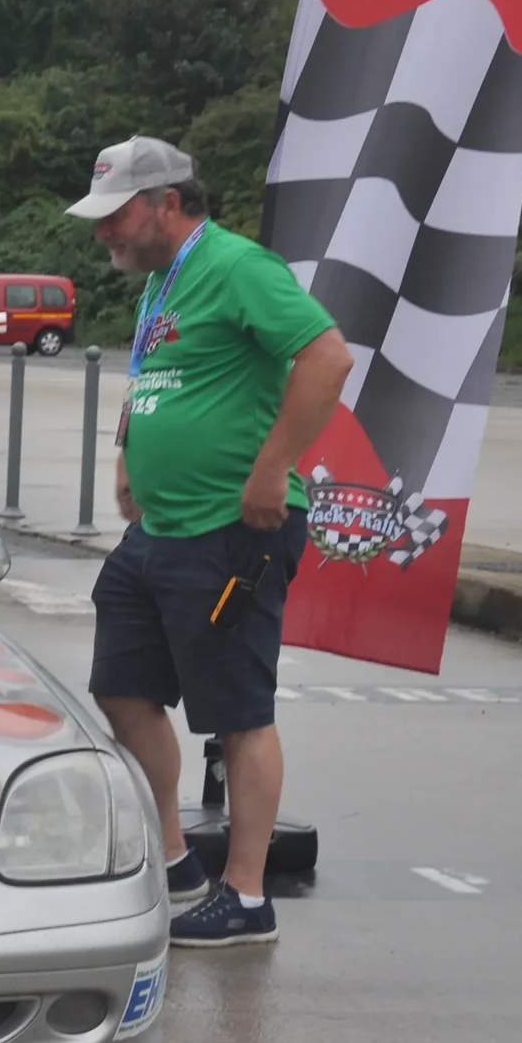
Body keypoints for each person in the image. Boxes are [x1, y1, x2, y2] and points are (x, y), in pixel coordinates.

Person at [67, 137, 353, 948]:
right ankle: (173, 860)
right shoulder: (160, 280)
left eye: (117, 215)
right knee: (123, 688)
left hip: (235, 529)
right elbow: (153, 377)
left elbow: (326, 357)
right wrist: (128, 453)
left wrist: (273, 468)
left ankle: (247, 896)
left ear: (167, 202)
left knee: (237, 714)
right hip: (158, 532)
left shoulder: (239, 266)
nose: (104, 234)